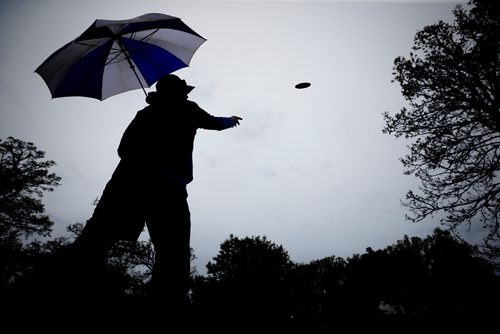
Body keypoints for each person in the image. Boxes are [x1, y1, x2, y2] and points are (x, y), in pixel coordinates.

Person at [68, 74, 242, 315]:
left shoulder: (146, 114)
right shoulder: (187, 110)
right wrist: (231, 120)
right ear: (179, 94)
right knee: (173, 254)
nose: (188, 94)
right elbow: (213, 122)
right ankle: (168, 309)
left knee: (95, 241)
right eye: (184, 91)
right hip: (162, 190)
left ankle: (64, 287)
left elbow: (123, 150)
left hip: (126, 186)